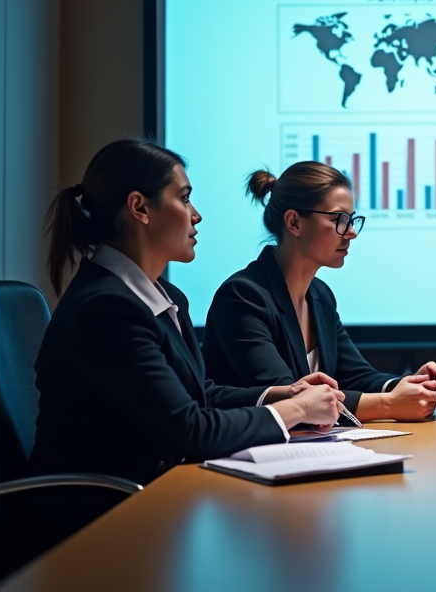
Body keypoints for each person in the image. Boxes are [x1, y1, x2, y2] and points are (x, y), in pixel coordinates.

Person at [19, 140, 344, 575]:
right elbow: (189, 429)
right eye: (185, 198)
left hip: (151, 501)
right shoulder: (106, 309)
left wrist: (278, 394)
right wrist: (296, 409)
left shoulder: (165, 298)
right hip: (97, 526)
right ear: (140, 207)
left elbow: (198, 395)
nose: (196, 215)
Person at [203, 162, 436, 421]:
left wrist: (409, 385)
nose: (351, 232)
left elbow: (357, 375)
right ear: (294, 223)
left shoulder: (320, 295)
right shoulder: (242, 296)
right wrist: (388, 405)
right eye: (339, 219)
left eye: (352, 220)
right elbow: (294, 400)